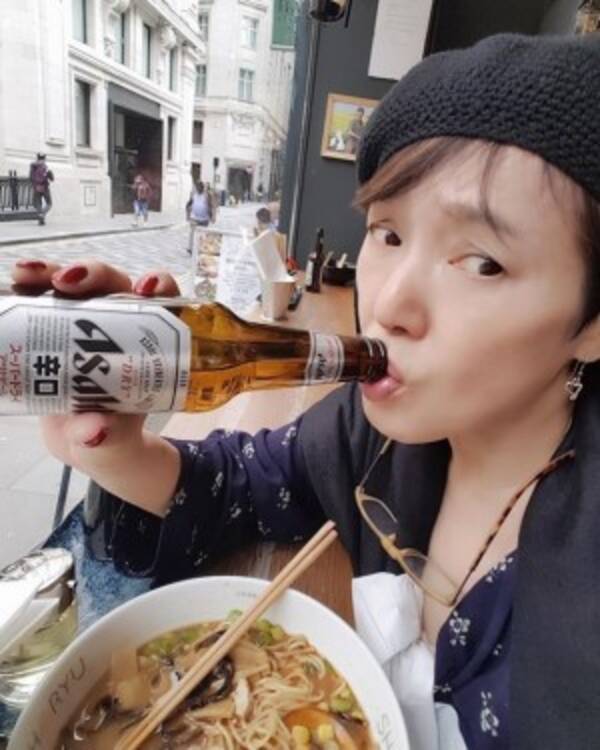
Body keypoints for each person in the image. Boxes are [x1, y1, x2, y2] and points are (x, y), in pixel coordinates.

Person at [12, 34, 600, 749]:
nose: (390, 305)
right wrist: (114, 446)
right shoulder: (372, 431)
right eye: (387, 233)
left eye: (481, 262)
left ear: (592, 323)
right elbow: (239, 484)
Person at [185, 180, 214, 254]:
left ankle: (201, 248)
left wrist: (211, 216)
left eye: (200, 187)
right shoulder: (194, 194)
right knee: (192, 233)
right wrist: (187, 215)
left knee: (203, 234)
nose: (198, 189)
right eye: (197, 187)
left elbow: (210, 206)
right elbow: (188, 204)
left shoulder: (207, 195)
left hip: (204, 219)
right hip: (194, 218)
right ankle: (190, 248)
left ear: (203, 187)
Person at [29, 153, 54, 225]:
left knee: (38, 203)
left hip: (36, 187)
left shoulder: (33, 166)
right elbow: (52, 179)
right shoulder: (45, 167)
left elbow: (30, 177)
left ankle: (40, 217)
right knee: (49, 203)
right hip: (45, 187)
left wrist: (35, 185)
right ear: (44, 158)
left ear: (37, 158)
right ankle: (42, 215)